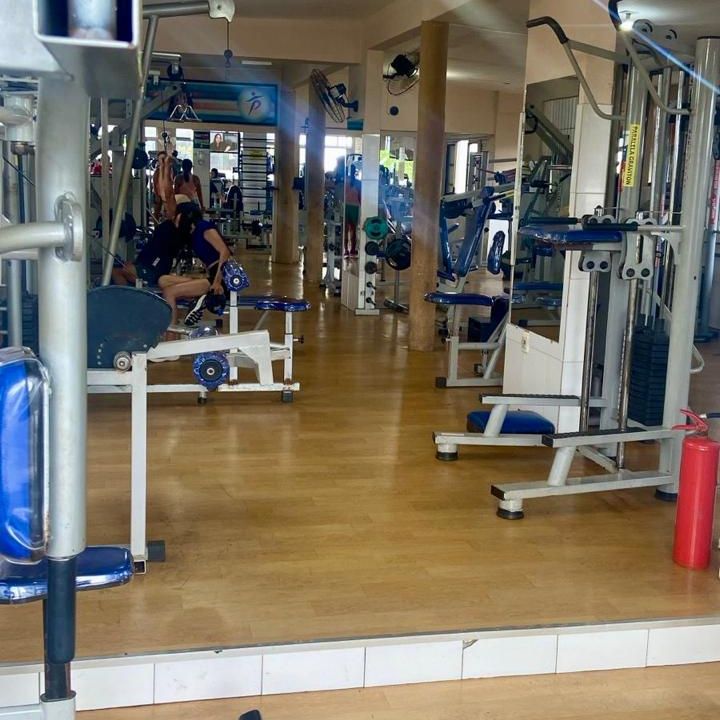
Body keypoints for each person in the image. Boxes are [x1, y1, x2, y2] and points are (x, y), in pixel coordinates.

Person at [157, 157, 231, 327]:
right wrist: (164, 166)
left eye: (177, 218)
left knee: (169, 293)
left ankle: (171, 334)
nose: (174, 220)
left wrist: (217, 282)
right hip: (210, 277)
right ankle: (198, 297)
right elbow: (165, 195)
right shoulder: (191, 233)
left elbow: (225, 253)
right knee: (163, 281)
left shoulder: (204, 228)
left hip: (219, 280)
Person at [111, 196, 189, 287]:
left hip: (153, 270)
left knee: (117, 271)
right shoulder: (173, 228)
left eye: (168, 206)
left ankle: (134, 291)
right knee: (121, 269)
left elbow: (156, 255)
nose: (165, 210)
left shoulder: (169, 228)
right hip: (152, 266)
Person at [344, 164, 361, 257]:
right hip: (353, 206)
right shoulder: (358, 183)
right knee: (352, 229)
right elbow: (360, 196)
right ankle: (351, 249)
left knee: (347, 229)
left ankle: (347, 249)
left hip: (347, 206)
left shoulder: (345, 181)